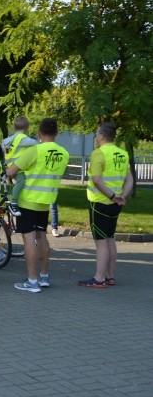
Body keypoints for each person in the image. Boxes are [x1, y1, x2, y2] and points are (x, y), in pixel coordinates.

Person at [7, 118, 69, 293]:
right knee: (42, 237)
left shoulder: (34, 151)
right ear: (56, 133)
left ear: (39, 133)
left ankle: (32, 280)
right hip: (46, 201)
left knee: (29, 239)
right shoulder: (63, 153)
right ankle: (44, 276)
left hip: (28, 200)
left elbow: (11, 171)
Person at [80, 122, 133, 288]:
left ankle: (99, 278)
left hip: (100, 202)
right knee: (110, 238)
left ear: (102, 136)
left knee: (101, 241)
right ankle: (110, 275)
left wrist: (112, 196)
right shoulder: (122, 154)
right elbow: (130, 179)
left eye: (97, 134)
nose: (96, 137)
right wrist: (121, 196)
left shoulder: (99, 153)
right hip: (116, 204)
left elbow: (96, 180)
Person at [2, 116, 39, 215]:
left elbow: (5, 150)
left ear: (14, 127)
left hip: (9, 166)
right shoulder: (22, 138)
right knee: (21, 182)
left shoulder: (8, 139)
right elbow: (36, 143)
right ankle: (14, 203)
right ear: (27, 128)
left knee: (19, 183)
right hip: (18, 167)